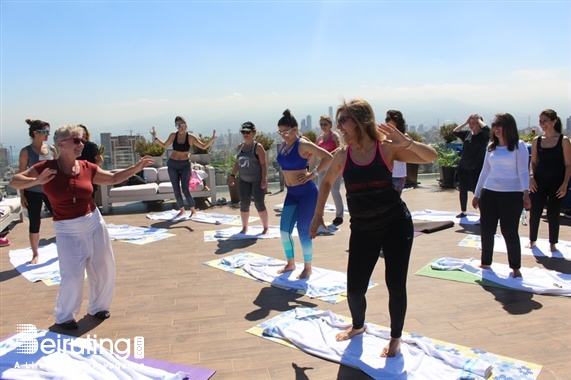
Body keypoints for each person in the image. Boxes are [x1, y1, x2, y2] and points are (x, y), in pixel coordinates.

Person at [309, 99, 437, 357]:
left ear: (359, 121)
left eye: (343, 120)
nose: (339, 126)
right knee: (355, 289)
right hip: (363, 229)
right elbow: (326, 183)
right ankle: (358, 326)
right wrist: (317, 215)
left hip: (395, 225)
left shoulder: (386, 149)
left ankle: (395, 338)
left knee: (396, 284)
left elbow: (431, 156)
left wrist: (407, 142)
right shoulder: (343, 155)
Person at [9, 124, 154, 330]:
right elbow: (15, 181)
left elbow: (112, 178)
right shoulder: (46, 168)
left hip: (94, 222)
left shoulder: (87, 166)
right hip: (67, 229)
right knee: (72, 276)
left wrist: (136, 168)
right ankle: (65, 316)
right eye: (76, 140)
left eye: (82, 140)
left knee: (103, 269)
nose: (81, 144)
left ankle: (98, 307)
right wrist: (38, 180)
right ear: (61, 144)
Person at [472, 113, 530, 278]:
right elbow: (485, 171)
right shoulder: (491, 147)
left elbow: (523, 171)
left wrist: (526, 193)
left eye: (499, 124)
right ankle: (485, 261)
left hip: (512, 195)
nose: (496, 128)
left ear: (508, 126)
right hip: (489, 193)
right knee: (487, 229)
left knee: (509, 231)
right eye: (494, 124)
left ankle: (515, 267)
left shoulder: (519, 146)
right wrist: (477, 193)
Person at [276, 109, 333, 279]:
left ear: (294, 129)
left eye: (286, 132)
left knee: (303, 230)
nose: (283, 135)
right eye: (280, 132)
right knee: (284, 230)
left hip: (307, 192)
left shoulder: (302, 144)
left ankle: (308, 267)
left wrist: (312, 174)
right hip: (291, 193)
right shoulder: (285, 145)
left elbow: (328, 157)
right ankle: (290, 263)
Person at [150, 116, 217, 217]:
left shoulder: (190, 137)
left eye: (181, 124)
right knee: (176, 188)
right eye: (177, 125)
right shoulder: (173, 135)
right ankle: (182, 210)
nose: (179, 127)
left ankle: (193, 210)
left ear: (185, 124)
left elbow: (203, 146)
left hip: (185, 164)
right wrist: (155, 137)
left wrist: (212, 139)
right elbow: (164, 145)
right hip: (172, 164)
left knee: (185, 189)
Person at [527, 109, 571, 251]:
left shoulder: (564, 140)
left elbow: (568, 164)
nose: (542, 124)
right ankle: (532, 240)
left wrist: (565, 184)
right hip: (539, 180)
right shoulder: (537, 140)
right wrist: (532, 177)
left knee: (553, 213)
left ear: (554, 121)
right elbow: (533, 162)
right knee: (535, 211)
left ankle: (553, 243)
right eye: (540, 121)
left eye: (545, 121)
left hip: (557, 182)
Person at [18, 119, 58, 264]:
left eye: (49, 131)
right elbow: (21, 174)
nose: (48, 135)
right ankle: (35, 254)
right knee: (35, 221)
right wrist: (22, 195)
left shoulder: (51, 149)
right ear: (35, 133)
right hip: (32, 191)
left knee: (60, 217)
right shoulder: (25, 152)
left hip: (50, 190)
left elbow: (58, 168)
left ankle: (66, 246)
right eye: (45, 132)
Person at [227, 121, 270, 234]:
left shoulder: (258, 147)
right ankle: (245, 227)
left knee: (259, 203)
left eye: (247, 132)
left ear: (253, 132)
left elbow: (263, 164)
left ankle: (265, 227)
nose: (245, 134)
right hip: (243, 180)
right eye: (243, 132)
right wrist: (232, 175)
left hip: (257, 179)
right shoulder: (240, 147)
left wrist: (264, 178)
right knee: (244, 203)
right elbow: (237, 163)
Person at [453, 114, 490, 218]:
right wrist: (466, 122)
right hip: (463, 166)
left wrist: (479, 120)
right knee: (463, 189)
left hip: (476, 167)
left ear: (479, 124)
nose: (471, 125)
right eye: (470, 123)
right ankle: (463, 211)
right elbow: (455, 131)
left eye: (474, 123)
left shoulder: (484, 136)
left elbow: (487, 129)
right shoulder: (467, 134)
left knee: (476, 190)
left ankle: (483, 214)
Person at [316, 115, 344, 225]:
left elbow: (340, 147)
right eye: (321, 124)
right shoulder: (320, 137)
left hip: (334, 166)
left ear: (330, 125)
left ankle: (339, 215)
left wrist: (329, 154)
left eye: (325, 124)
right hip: (323, 166)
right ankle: (319, 215)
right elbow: (315, 149)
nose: (323, 126)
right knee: (320, 190)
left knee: (335, 190)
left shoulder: (334, 136)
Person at [77, 124, 104, 200]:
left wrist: (89, 170)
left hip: (89, 177)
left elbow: (99, 159)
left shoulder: (90, 146)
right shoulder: (74, 146)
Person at [386, 110, 408, 195]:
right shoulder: (385, 135)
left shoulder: (404, 137)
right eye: (386, 119)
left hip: (399, 174)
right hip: (387, 174)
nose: (386, 121)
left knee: (394, 199)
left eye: (388, 119)